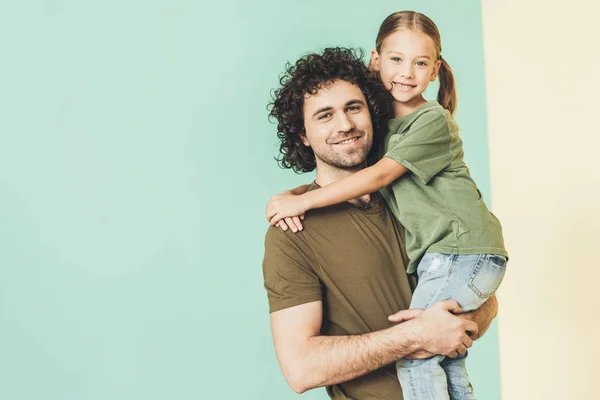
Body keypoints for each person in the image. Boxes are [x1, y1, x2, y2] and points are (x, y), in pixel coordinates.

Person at [266, 11, 507, 400]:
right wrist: (418, 334)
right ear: (303, 135)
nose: (344, 124)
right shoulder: (294, 230)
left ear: (372, 109)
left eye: (353, 107)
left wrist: (466, 321)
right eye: (325, 115)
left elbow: (484, 297)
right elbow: (300, 369)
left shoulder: (409, 196)